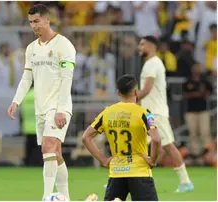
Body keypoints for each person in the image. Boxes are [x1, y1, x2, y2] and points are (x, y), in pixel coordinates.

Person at [7, 4, 76, 200]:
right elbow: (27, 78)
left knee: (48, 147)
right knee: (56, 153)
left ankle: (46, 197)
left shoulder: (64, 45)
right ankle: (65, 197)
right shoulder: (31, 49)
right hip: (41, 107)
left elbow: (66, 79)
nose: (34, 26)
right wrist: (16, 101)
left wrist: (61, 109)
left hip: (58, 106)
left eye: (37, 21)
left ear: (48, 20)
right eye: (30, 23)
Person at [82, 75, 161, 201]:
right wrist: (153, 160)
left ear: (118, 93)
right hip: (139, 172)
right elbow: (156, 139)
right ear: (136, 91)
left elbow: (86, 137)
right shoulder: (143, 113)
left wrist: (103, 160)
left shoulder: (107, 112)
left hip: (117, 172)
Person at [137, 35, 194, 192]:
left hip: (155, 113)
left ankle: (186, 181)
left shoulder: (153, 64)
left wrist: (131, 98)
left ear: (152, 46)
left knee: (168, 145)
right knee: (136, 145)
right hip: (149, 113)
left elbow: (146, 89)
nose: (139, 47)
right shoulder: (150, 63)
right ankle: (121, 181)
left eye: (142, 44)